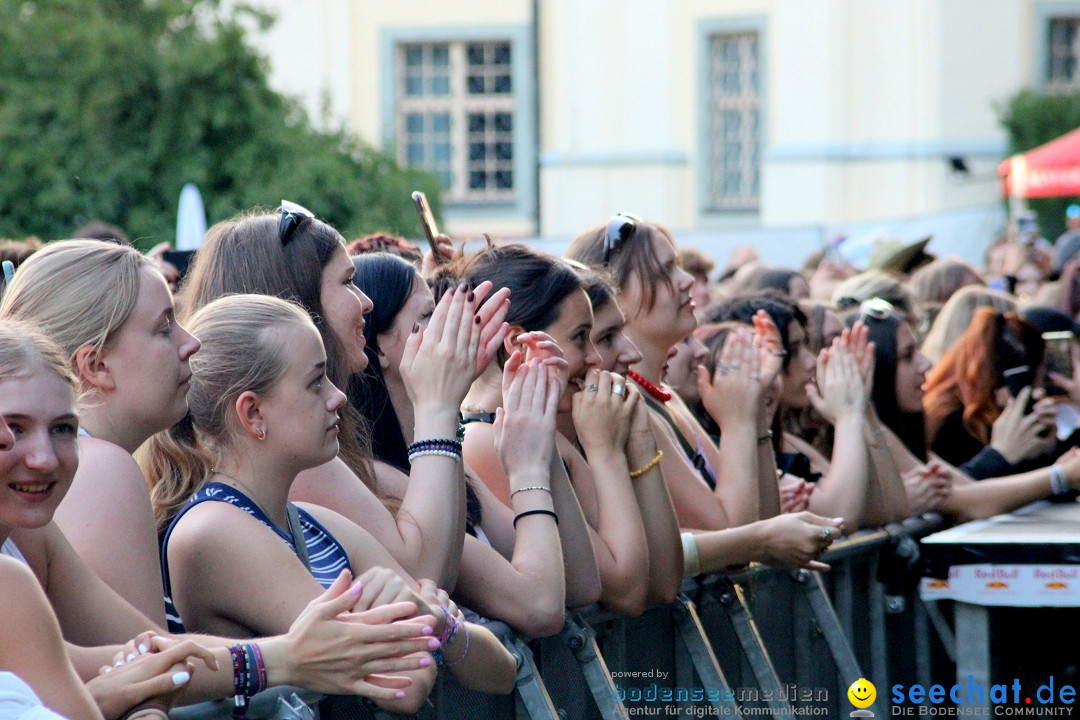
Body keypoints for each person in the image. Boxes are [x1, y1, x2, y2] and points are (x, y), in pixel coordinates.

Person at [0, 319, 435, 711]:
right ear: (251, 412)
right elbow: (403, 678)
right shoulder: (202, 519)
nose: (42, 457)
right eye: (162, 326)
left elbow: (138, 655)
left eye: (63, 429)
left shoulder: (26, 547)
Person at [151, 294, 515, 697]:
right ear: (253, 413)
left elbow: (501, 671)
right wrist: (432, 624)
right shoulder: (214, 529)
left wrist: (437, 622)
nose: (337, 395)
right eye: (315, 381)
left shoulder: (314, 520)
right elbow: (401, 686)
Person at [173, 203, 510, 592]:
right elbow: (423, 575)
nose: (366, 301)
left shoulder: (307, 439)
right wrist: (437, 405)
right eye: (348, 281)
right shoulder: (292, 453)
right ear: (299, 301)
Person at [568, 215, 844, 574]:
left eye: (679, 266)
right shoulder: (624, 405)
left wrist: (756, 416)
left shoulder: (664, 395)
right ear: (614, 294)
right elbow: (735, 536)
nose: (687, 282)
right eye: (665, 272)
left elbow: (762, 519)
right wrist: (738, 422)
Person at [339, 251, 586, 635]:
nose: (455, 329)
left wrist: (539, 439)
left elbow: (582, 583)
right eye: (429, 317)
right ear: (381, 346)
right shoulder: (378, 476)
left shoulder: (446, 456)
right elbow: (539, 606)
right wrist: (528, 472)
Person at [455, 244, 657, 615]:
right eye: (581, 336)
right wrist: (606, 452)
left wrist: (641, 442)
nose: (595, 358)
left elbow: (661, 573)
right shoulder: (484, 442)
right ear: (519, 342)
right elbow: (625, 589)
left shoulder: (546, 437)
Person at [850, 299, 1080, 521]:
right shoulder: (950, 421)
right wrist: (1055, 473)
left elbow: (968, 489)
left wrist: (1047, 453)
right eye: (907, 356)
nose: (926, 364)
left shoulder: (895, 429)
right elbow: (966, 503)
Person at [712, 293, 910, 530]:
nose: (811, 361)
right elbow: (841, 516)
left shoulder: (788, 441)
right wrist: (849, 416)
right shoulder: (727, 442)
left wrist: (863, 408)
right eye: (792, 350)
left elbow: (889, 510)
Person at [922, 308, 1057, 478]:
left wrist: (1046, 442)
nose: (1041, 389)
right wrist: (1003, 454)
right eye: (1040, 377)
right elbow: (969, 493)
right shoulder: (954, 424)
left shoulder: (959, 408)